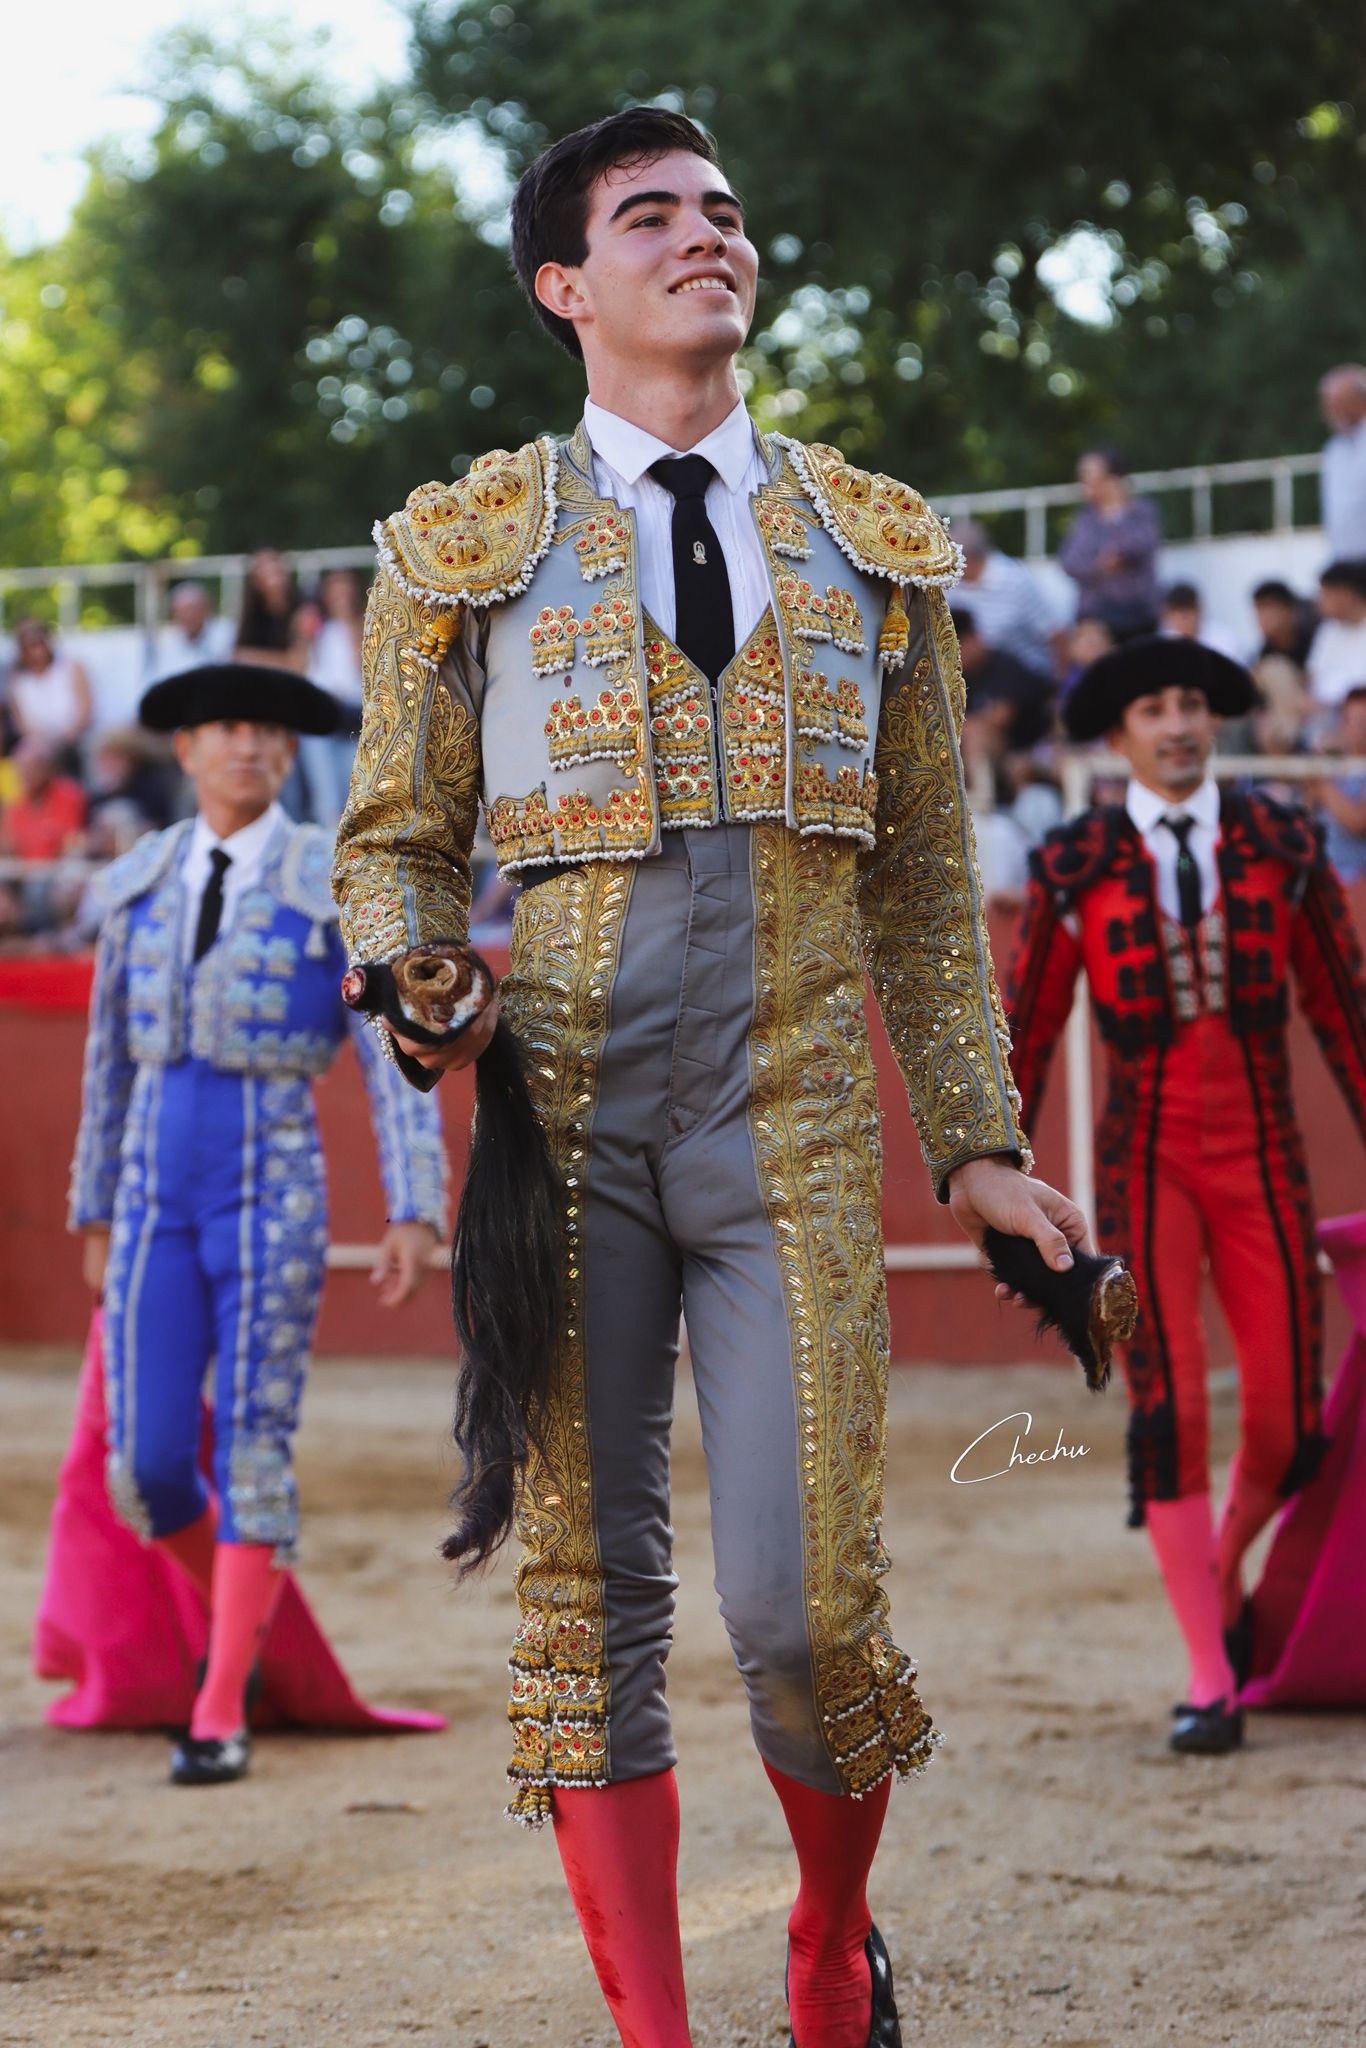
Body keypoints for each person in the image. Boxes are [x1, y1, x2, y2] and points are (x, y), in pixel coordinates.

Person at [333, 106, 1085, 2048]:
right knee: (588, 1606)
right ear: (562, 286)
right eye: (652, 213)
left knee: (806, 1607)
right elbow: (398, 839)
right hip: (564, 1118)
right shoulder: (464, 546)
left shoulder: (870, 539)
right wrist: (418, 978)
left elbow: (924, 884)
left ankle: (828, 1937)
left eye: (726, 210)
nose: (707, 234)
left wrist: (979, 1139)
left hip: (795, 1122)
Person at [70, 662, 448, 1787]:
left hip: (271, 1194)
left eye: (270, 733)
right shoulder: (137, 882)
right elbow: (105, 1064)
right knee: (145, 1468)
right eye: (228, 728)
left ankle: (222, 1698)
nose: (249, 746)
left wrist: (413, 1203)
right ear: (186, 751)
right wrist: (93, 1209)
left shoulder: (332, 888)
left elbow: (393, 1052)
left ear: (289, 755)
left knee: (253, 1446)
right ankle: (250, 1626)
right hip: (151, 1200)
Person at [1006, 637, 1366, 1757]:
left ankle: (1217, 1570)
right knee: (1170, 1412)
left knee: (1284, 1421)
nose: (1179, 725)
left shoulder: (1282, 847)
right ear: (1118, 736)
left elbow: (1346, 1014)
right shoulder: (1074, 865)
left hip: (1264, 1155)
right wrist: (993, 1181)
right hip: (1145, 1163)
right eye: (1156, 709)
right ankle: (1211, 1673)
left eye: (1193, 705)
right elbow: (1024, 1034)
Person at [1057, 447, 1161, 638]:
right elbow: (1069, 561)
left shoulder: (1141, 511)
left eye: (1088, 475)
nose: (1082, 481)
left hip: (1138, 616)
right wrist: (1100, 565)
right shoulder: (1085, 519)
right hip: (1096, 618)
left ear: (1112, 479)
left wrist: (1116, 513)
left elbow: (1140, 544)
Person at [297, 566, 367, 830]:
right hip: (320, 712)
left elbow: (363, 666)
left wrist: (347, 620)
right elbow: (299, 668)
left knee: (352, 786)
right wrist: (304, 637)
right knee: (325, 793)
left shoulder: (363, 624)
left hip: (354, 714)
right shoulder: (315, 627)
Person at [955, 518, 1064, 679]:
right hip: (978, 672)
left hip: (1024, 670)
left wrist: (1061, 685)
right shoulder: (952, 585)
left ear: (968, 560)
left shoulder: (1014, 580)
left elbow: (1054, 633)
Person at [4, 618, 94, 772]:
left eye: (38, 644)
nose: (36, 652)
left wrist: (68, 737)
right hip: (36, 743)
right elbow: (20, 722)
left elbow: (86, 709)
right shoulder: (17, 679)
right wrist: (40, 741)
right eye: (29, 646)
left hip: (75, 738)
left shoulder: (71, 667)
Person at [1307, 685, 1366, 883]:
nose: (1360, 730)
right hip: (1326, 875)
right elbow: (1307, 812)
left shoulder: (1326, 776)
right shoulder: (1333, 764)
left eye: (1363, 722)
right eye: (1352, 721)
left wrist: (1322, 783)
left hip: (1357, 878)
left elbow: (1358, 822)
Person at [1318, 364, 1366, 563]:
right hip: (1344, 561)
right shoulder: (1333, 450)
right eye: (1328, 405)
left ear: (1361, 400)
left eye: (1339, 403)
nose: (1332, 412)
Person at [1306, 559, 1366, 708]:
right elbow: (1313, 675)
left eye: (1325, 594)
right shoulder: (1328, 630)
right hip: (1321, 709)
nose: (1319, 601)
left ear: (1345, 593)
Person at [148, 581, 235, 682]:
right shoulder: (165, 642)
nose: (189, 616)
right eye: (183, 611)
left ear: (207, 609)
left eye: (193, 610)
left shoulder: (227, 633)